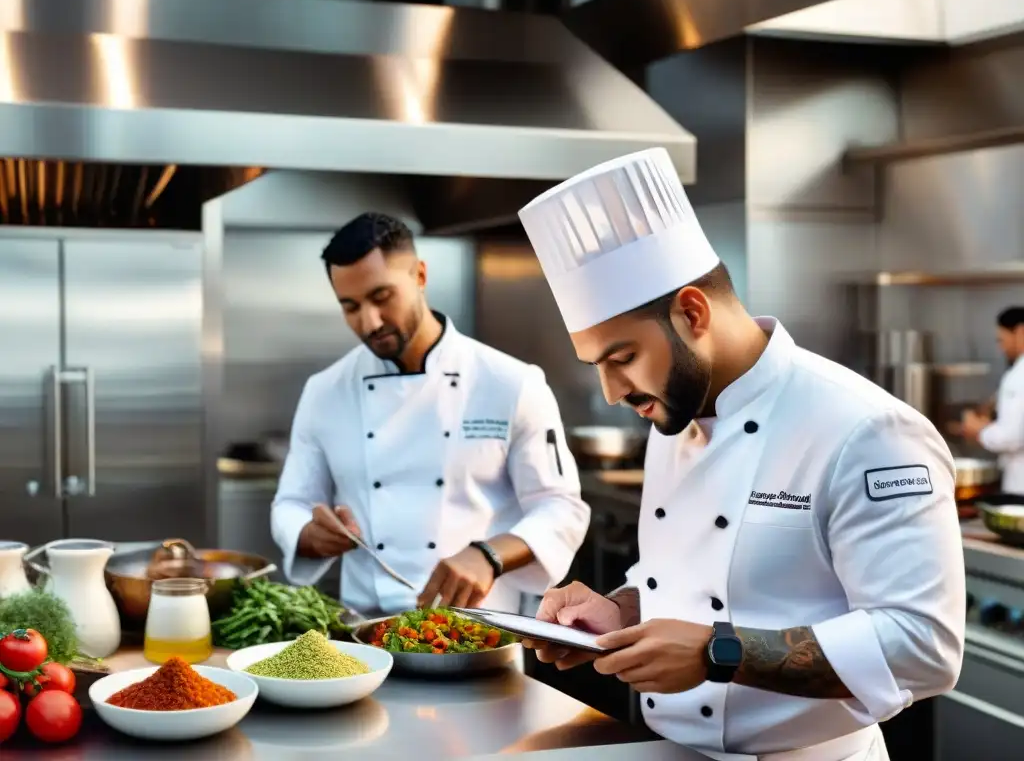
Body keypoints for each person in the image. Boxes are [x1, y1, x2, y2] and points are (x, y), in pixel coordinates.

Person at [515, 149, 965, 761]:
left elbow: (923, 646)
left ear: (692, 312)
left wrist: (714, 653)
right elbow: (702, 582)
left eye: (621, 358)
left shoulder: (866, 429)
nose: (612, 392)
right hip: (669, 749)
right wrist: (618, 610)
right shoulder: (674, 413)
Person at [270, 212, 590, 616]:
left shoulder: (510, 383)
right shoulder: (325, 391)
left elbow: (561, 507)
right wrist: (308, 534)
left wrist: (488, 555)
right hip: (365, 631)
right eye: (350, 307)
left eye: (381, 297)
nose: (369, 321)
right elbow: (291, 503)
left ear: (420, 275)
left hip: (482, 630)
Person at [958, 306, 1024, 494]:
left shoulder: (1019, 375)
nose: (1001, 347)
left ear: (1020, 331)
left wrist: (978, 430)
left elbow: (1011, 437)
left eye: (1002, 339)